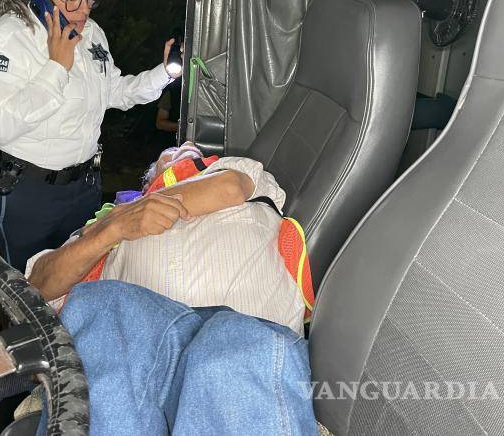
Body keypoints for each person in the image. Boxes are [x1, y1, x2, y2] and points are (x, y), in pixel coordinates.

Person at [24, 143, 316, 434]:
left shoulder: (233, 170)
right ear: (149, 179)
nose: (184, 147)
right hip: (139, 350)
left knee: (231, 347)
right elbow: (37, 288)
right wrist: (110, 229)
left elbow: (229, 188)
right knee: (98, 304)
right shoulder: (106, 225)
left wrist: (132, 212)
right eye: (169, 152)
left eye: (190, 151)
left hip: (245, 330)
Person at [0, 0, 177, 271]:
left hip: (84, 188)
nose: (85, 9)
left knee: (81, 277)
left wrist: (165, 73)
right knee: (30, 289)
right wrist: (57, 67)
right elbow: (2, 124)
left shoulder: (90, 33)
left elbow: (114, 91)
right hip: (28, 194)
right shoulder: (6, 41)